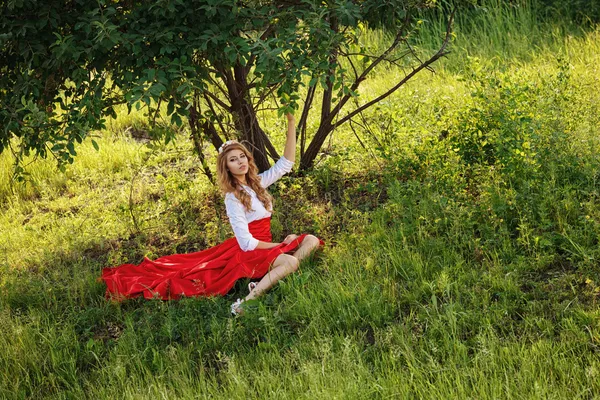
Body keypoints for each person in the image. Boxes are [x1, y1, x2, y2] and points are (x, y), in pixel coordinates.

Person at [101, 113, 323, 315]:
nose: (240, 162)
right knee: (292, 264)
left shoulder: (258, 183)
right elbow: (245, 242)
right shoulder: (233, 198)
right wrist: (277, 246)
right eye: (233, 160)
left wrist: (292, 123)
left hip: (264, 246)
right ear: (226, 167)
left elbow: (286, 164)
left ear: (248, 158)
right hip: (251, 251)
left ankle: (269, 276)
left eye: (242, 157)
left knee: (311, 240)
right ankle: (248, 300)